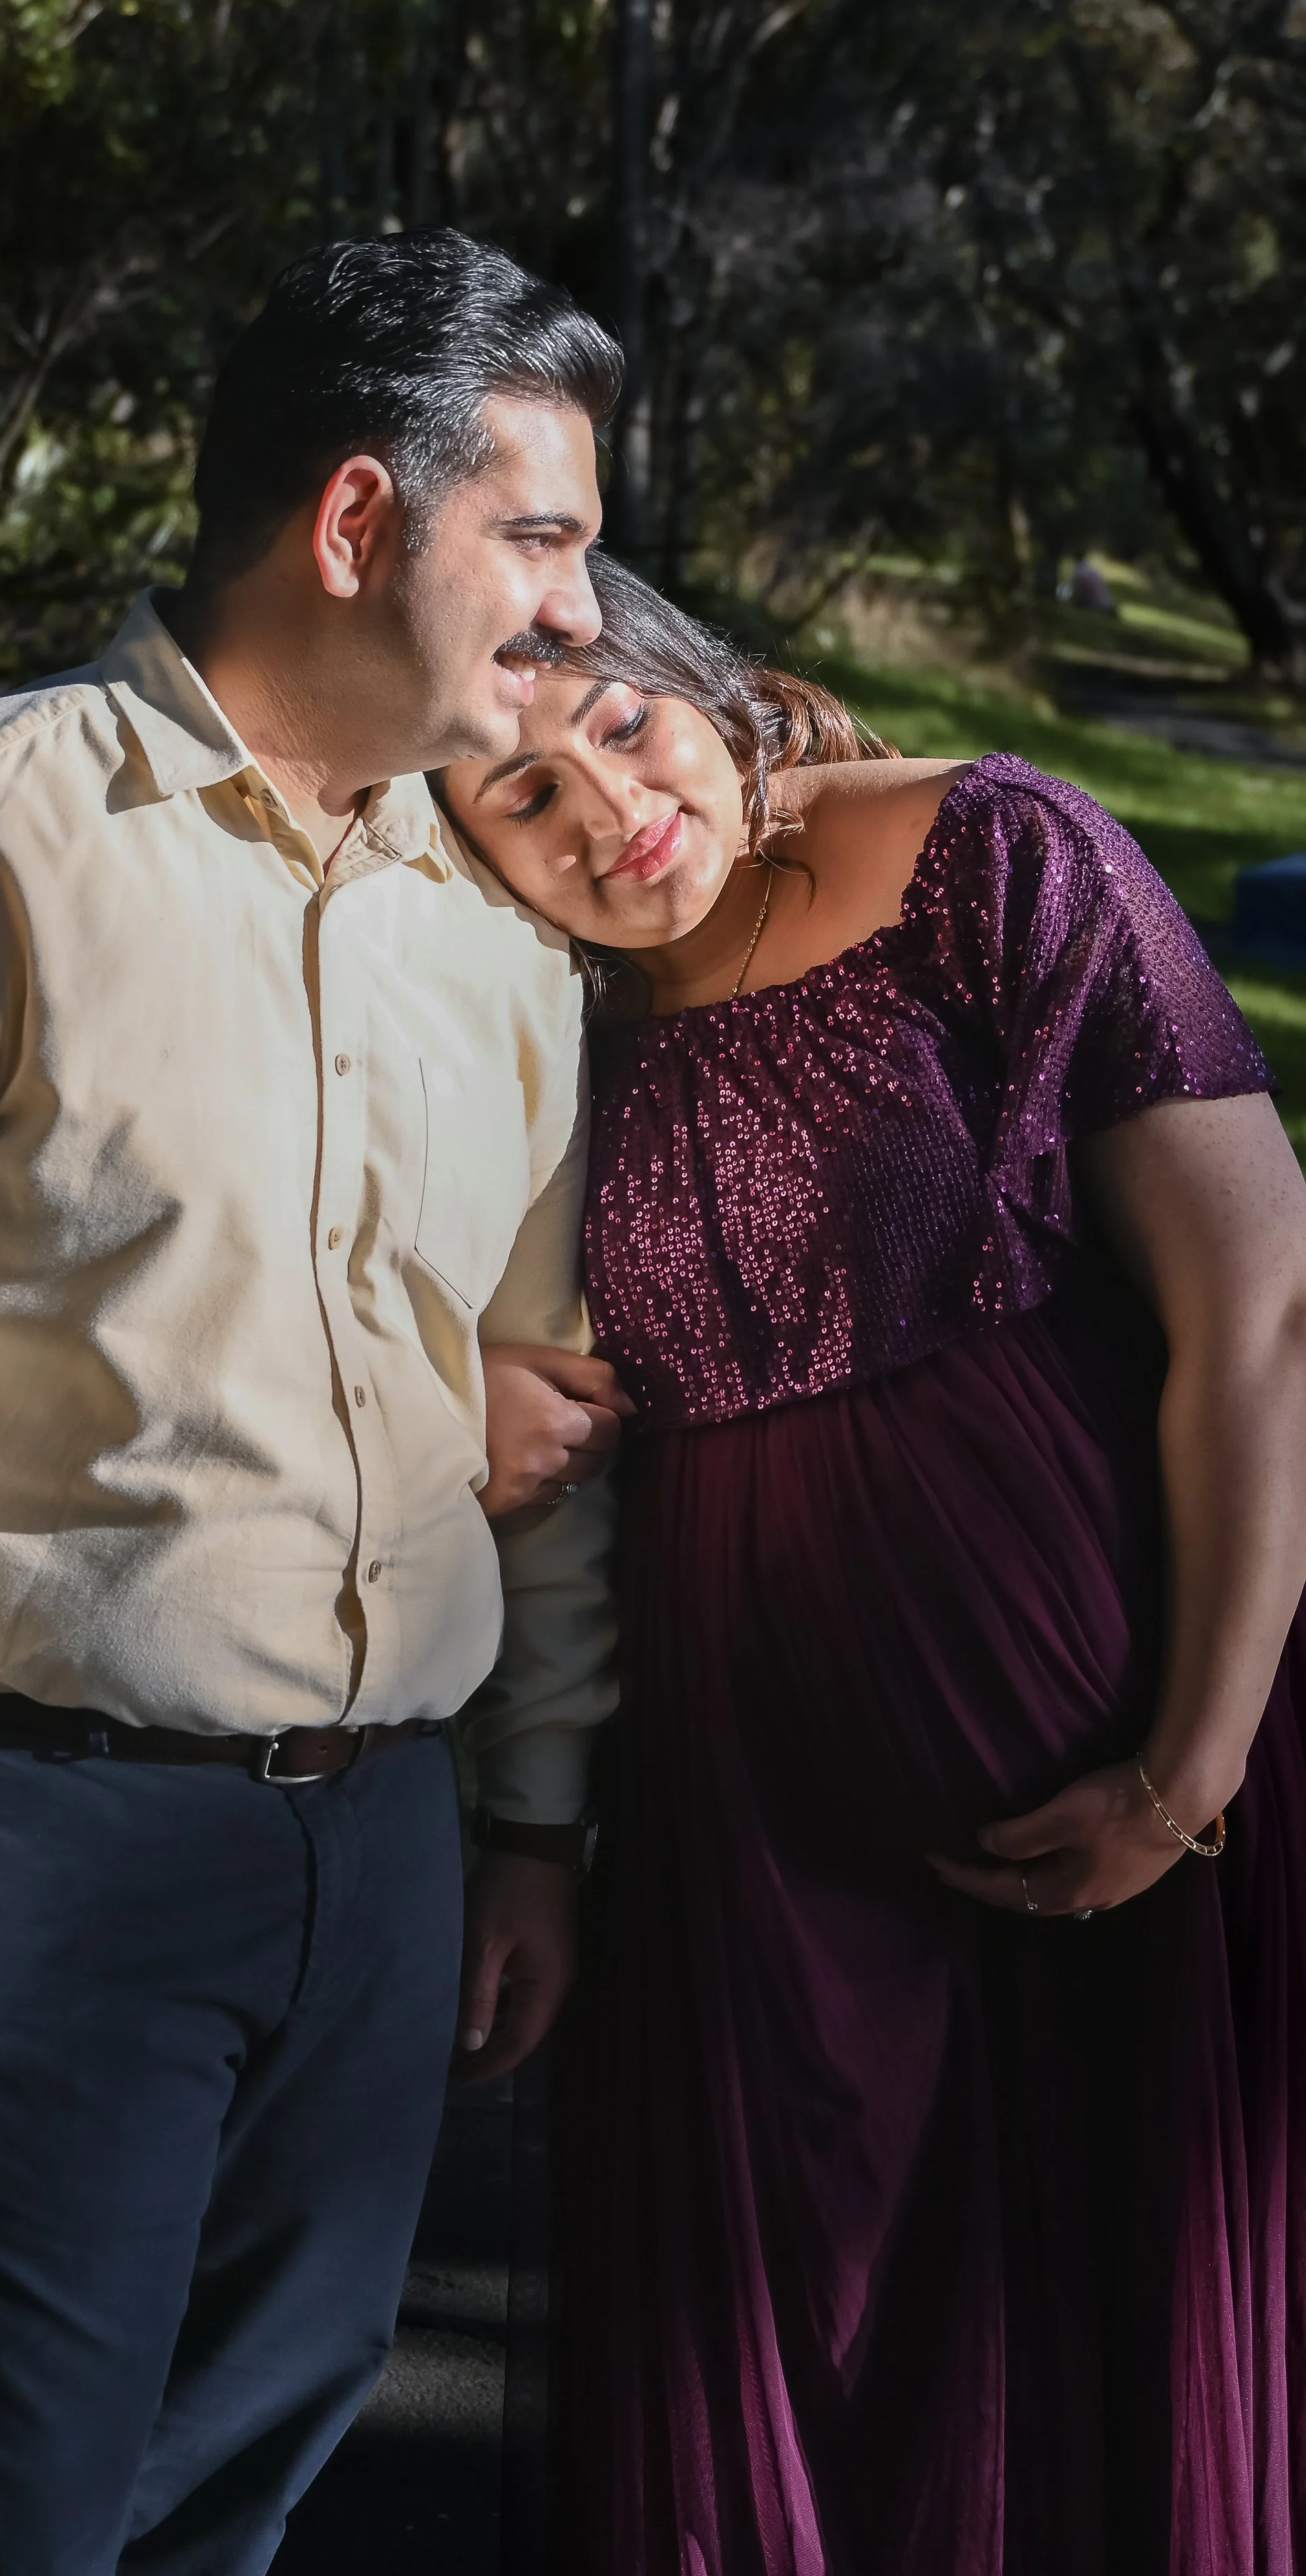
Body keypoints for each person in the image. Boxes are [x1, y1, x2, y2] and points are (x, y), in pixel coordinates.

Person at [0, 231, 627, 2576]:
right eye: (548, 535)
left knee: (246, 2489)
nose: (588, 609)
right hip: (26, 1844)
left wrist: (532, 1818)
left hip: (380, 1859)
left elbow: (542, 1396)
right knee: (7, 2527)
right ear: (361, 525)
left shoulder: (494, 934)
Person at [443, 553, 1306, 2573]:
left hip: (1121, 1769)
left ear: (706, 688)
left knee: (1108, 2335)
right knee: (809, 2370)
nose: (609, 817)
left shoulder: (992, 853)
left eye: (623, 728)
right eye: (525, 803)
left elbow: (1256, 1310)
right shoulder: (532, 1024)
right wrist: (537, 1830)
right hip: (746, 1833)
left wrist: (1188, 1773)